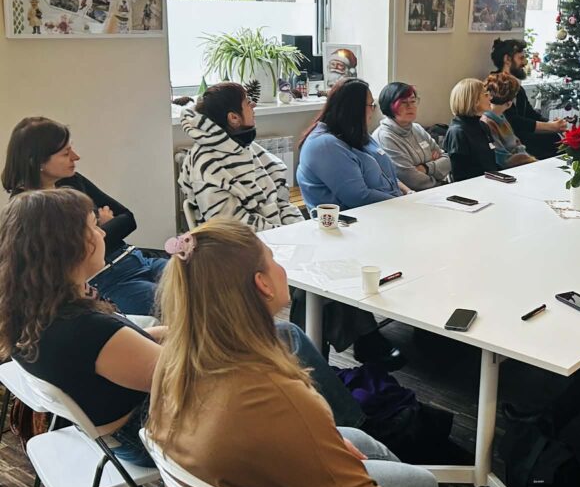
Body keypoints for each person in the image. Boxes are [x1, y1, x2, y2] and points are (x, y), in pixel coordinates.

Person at [145, 218, 520, 487]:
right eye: (272, 259)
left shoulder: (179, 356)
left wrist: (324, 446)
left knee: (356, 439)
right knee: (421, 485)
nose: (280, 268)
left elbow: (247, 438)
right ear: (262, 283)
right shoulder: (269, 393)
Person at [0, 191, 367, 467]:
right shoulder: (81, 328)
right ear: (68, 247)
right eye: (93, 227)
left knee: (283, 334)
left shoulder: (35, 309)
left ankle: (341, 426)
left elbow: (132, 345)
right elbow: (192, 379)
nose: (102, 233)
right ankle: (341, 433)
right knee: (279, 339)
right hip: (151, 433)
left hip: (134, 416)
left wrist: (190, 329)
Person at [2, 116, 166, 315]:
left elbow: (127, 219)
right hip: (108, 279)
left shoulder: (71, 180)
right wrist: (101, 226)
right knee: (180, 303)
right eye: (65, 153)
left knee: (195, 276)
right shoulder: (29, 207)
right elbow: (72, 255)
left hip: (135, 258)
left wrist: (93, 230)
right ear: (37, 161)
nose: (76, 157)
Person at [178, 82, 304, 230]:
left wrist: (298, 229)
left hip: (277, 234)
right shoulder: (206, 163)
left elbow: (283, 202)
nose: (254, 105)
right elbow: (233, 227)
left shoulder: (244, 146)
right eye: (248, 102)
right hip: (245, 241)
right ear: (234, 118)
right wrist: (283, 234)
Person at [297, 78, 412, 209]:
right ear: (354, 108)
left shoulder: (356, 133)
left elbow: (388, 177)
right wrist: (402, 204)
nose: (373, 110)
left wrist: (408, 193)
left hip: (387, 207)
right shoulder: (325, 145)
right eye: (371, 105)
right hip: (357, 216)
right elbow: (357, 197)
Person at [490, 38, 568, 159]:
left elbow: (530, 114)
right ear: (507, 59)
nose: (525, 62)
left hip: (525, 138)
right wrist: (550, 127)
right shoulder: (496, 85)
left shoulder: (517, 87)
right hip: (512, 142)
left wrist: (553, 124)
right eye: (521, 58)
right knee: (551, 141)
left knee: (554, 139)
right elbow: (514, 122)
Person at [372, 81, 452, 191]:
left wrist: (426, 168)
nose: (410, 106)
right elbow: (410, 179)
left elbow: (447, 160)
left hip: (437, 189)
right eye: (403, 102)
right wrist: (438, 177)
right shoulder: (385, 137)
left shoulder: (417, 128)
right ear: (389, 106)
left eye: (413, 101)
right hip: (416, 194)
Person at [445, 78, 501, 181]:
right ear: (474, 101)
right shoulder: (458, 132)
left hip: (490, 181)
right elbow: (459, 176)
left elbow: (490, 164)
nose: (490, 97)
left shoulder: (483, 126)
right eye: (486, 95)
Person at [480, 72, 536, 168]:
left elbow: (517, 143)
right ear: (509, 103)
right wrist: (531, 161)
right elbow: (502, 159)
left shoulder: (501, 117)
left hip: (520, 163)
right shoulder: (487, 123)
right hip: (510, 169)